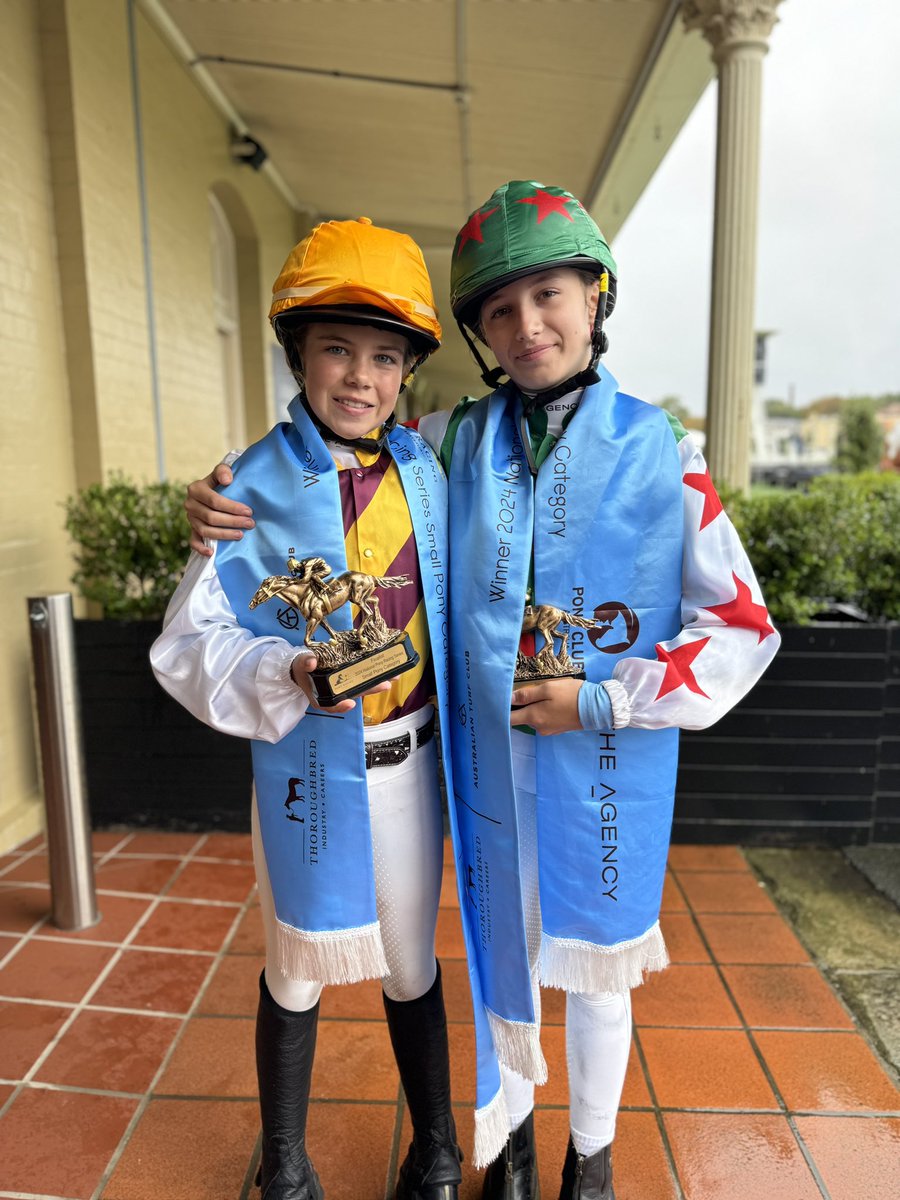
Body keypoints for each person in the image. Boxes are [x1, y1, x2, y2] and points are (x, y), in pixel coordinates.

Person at [183, 182, 781, 1200]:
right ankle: (508, 1145)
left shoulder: (664, 454)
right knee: (499, 954)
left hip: (601, 763)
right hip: (477, 772)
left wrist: (601, 701)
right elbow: (333, 470)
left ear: (597, 296)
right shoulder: (453, 443)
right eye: (499, 311)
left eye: (549, 294)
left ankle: (590, 1159)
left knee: (595, 968)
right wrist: (212, 503)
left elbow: (741, 627)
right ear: (476, 336)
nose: (528, 325)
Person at [153, 217, 475, 1200]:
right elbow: (188, 645)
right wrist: (285, 670)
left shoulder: (429, 470)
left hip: (414, 765)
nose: (360, 377)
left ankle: (438, 1150)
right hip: (308, 768)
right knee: (294, 961)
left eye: (385, 356)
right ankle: (284, 1162)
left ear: (409, 370)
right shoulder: (244, 485)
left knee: (411, 961)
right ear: (298, 350)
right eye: (338, 348)